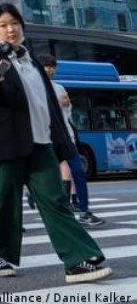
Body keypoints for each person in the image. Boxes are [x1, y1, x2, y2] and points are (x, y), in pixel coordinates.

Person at [0, 3, 111, 284]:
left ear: (22, 26)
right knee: (3, 202)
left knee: (56, 199)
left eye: (15, 23)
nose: (10, 29)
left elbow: (48, 106)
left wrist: (63, 145)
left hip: (41, 142)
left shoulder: (33, 61)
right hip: (7, 142)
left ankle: (77, 259)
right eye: (3, 25)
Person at [37, 54, 105, 227]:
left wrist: (66, 106)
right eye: (46, 66)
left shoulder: (60, 88)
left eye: (52, 66)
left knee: (78, 172)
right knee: (46, 176)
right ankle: (55, 210)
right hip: (45, 139)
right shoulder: (33, 88)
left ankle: (84, 211)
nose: (50, 69)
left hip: (66, 137)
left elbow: (67, 114)